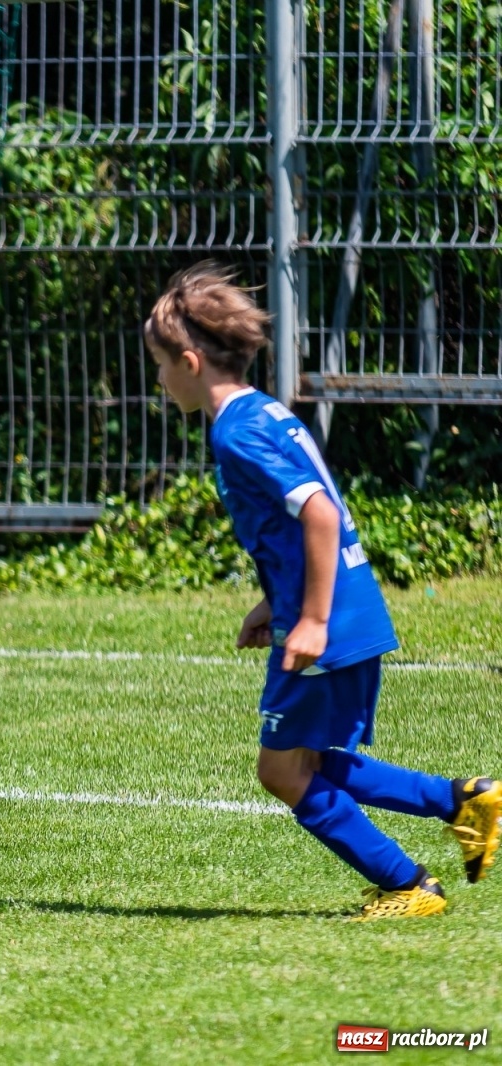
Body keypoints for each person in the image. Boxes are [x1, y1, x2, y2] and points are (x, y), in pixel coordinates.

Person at [143, 263, 501, 920]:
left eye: (162, 366)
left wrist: (308, 618)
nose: (160, 381)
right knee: (308, 759)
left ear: (190, 361)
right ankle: (463, 800)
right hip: (349, 605)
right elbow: (300, 519)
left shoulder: (236, 430)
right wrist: (274, 601)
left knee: (282, 771)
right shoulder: (265, 411)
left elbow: (320, 514)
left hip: (328, 618)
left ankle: (409, 886)